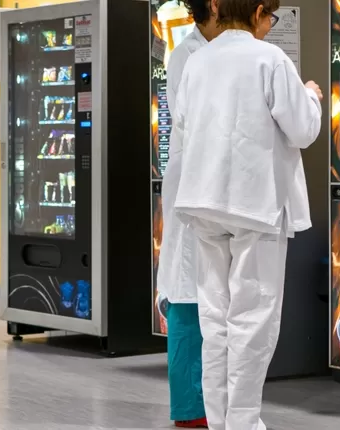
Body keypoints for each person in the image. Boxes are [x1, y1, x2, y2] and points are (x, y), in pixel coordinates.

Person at [171, 0, 323, 428]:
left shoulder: (198, 62)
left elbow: (181, 122)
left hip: (203, 201)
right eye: (270, 17)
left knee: (215, 319)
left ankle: (220, 421)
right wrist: (311, 95)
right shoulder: (270, 59)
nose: (270, 26)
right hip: (255, 204)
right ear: (258, 12)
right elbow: (305, 129)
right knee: (252, 320)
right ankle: (244, 422)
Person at [158, 0, 221, 428]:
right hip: (193, 189)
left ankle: (210, 406)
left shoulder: (220, 52)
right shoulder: (188, 55)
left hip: (213, 191)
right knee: (186, 300)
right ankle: (189, 412)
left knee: (210, 305)